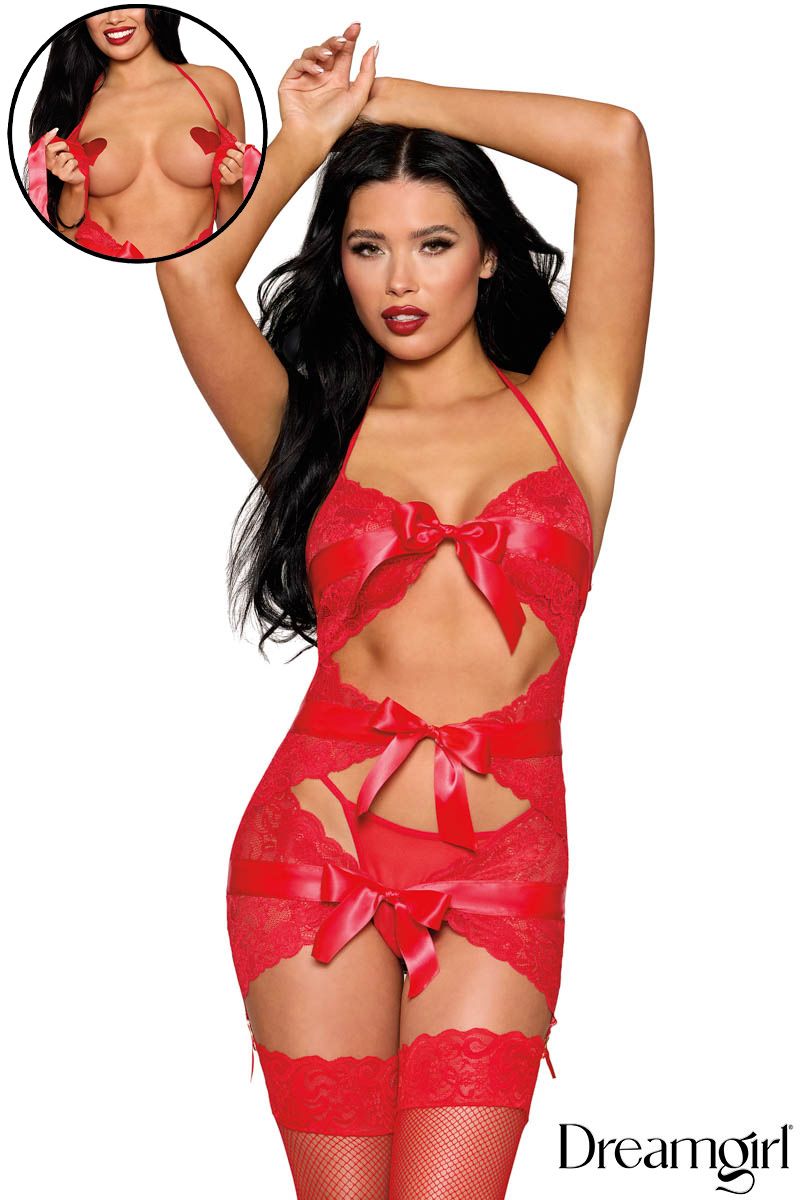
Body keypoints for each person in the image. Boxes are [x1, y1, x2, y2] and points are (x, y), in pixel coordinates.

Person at [156, 19, 653, 1199]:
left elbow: (613, 144)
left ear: (485, 256)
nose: (398, 281)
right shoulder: (309, 429)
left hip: (501, 867)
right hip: (310, 849)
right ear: (338, 263)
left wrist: (384, 100)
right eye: (367, 248)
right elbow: (188, 274)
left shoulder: (572, 408)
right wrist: (307, 137)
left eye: (433, 244)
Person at [26, 8, 260, 259]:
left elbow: (235, 238)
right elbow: (65, 247)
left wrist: (231, 185)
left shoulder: (216, 86)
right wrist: (73, 187)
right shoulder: (74, 103)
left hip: (191, 274)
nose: (114, 18)